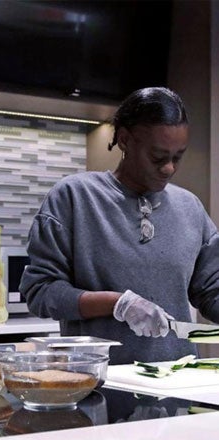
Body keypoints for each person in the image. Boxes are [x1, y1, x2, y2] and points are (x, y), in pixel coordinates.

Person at [20, 86, 219, 365]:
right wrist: (118, 304)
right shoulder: (75, 198)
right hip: (100, 386)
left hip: (177, 384)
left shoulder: (190, 208)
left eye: (178, 157)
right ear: (124, 139)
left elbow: (212, 290)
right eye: (158, 157)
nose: (169, 169)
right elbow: (40, 292)